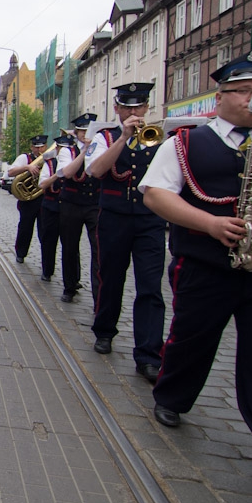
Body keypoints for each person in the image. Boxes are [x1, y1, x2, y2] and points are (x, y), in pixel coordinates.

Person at [139, 52, 252, 489]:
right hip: (205, 263)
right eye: (245, 92)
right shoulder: (184, 142)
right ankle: (172, 396)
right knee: (192, 337)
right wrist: (211, 224)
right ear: (221, 96)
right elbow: (157, 195)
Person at [84, 82, 166, 383]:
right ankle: (104, 331)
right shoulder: (104, 138)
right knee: (111, 277)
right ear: (117, 109)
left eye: (139, 106)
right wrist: (124, 138)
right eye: (127, 107)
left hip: (150, 219)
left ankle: (148, 355)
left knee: (150, 286)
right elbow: (95, 170)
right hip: (114, 218)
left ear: (146, 108)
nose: (134, 112)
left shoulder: (160, 139)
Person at [57, 113, 101, 304]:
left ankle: (98, 295)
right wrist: (85, 151)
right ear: (77, 133)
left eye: (90, 130)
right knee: (69, 247)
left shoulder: (102, 149)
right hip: (71, 204)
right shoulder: (68, 151)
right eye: (83, 130)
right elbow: (67, 172)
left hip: (94, 204)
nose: (86, 134)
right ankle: (70, 285)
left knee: (99, 249)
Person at [37, 134, 73, 282]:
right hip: (50, 207)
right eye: (61, 148)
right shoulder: (49, 164)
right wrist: (57, 175)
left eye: (67, 148)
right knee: (48, 241)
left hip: (68, 208)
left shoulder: (75, 162)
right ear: (56, 149)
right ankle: (47, 270)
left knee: (71, 245)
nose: (63, 151)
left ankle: (72, 279)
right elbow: (42, 184)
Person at [7, 135, 48, 260]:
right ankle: (20, 253)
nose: (39, 150)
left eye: (42, 147)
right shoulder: (25, 157)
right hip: (28, 200)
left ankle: (46, 261)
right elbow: (10, 172)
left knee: (45, 231)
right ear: (32, 147)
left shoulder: (50, 159)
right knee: (25, 228)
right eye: (36, 147)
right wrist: (27, 167)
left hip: (45, 199)